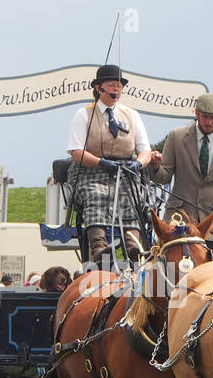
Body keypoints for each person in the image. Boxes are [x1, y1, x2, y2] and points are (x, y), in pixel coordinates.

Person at [66, 63, 156, 267]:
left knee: (133, 196)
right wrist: (101, 162)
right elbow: (76, 151)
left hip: (125, 171)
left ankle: (133, 247)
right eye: (111, 84)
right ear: (99, 88)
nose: (116, 89)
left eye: (119, 85)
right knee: (96, 195)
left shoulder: (132, 115)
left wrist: (138, 164)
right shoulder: (84, 115)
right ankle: (99, 249)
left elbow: (145, 150)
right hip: (92, 170)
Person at [149, 92, 213, 260]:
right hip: (178, 222)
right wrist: (156, 166)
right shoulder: (177, 137)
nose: (209, 122)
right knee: (176, 271)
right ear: (196, 113)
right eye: (205, 117)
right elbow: (164, 177)